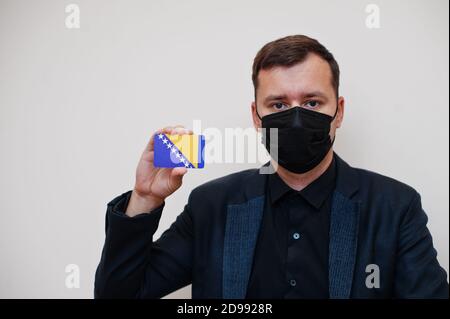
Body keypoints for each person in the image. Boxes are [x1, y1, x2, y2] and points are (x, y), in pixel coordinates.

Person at [94, 35, 448, 299]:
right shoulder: (211, 206)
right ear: (256, 116)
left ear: (338, 111)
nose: (295, 118)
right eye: (278, 105)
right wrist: (144, 198)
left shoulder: (394, 207)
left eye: (312, 102)